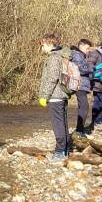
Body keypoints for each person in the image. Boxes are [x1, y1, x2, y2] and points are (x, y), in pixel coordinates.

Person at [35, 33, 73, 163]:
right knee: (63, 123)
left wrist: (44, 96)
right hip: (62, 95)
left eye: (43, 45)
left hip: (55, 96)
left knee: (58, 124)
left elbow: (52, 78)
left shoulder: (53, 58)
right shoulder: (61, 56)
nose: (42, 48)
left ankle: (60, 152)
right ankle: (65, 150)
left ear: (49, 44)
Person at [71, 39, 94, 138]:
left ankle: (80, 129)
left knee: (84, 106)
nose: (88, 50)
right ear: (81, 46)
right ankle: (79, 130)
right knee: (84, 106)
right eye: (87, 48)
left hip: (82, 84)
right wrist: (92, 67)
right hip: (79, 84)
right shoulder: (77, 54)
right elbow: (81, 69)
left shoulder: (82, 55)